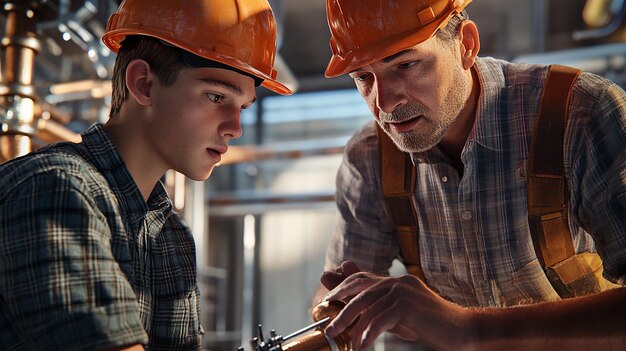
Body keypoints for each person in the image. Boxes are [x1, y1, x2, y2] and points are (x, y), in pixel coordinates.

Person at [313, 0, 626, 350]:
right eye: (363, 77)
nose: (384, 103)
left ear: (465, 45)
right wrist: (337, 312)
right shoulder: (369, 158)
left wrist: (467, 330)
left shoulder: (581, 114)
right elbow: (333, 306)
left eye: (405, 65)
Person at [0, 0, 291, 350]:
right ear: (144, 84)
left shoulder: (170, 235)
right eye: (217, 96)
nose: (235, 129)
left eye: (242, 108)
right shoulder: (56, 189)